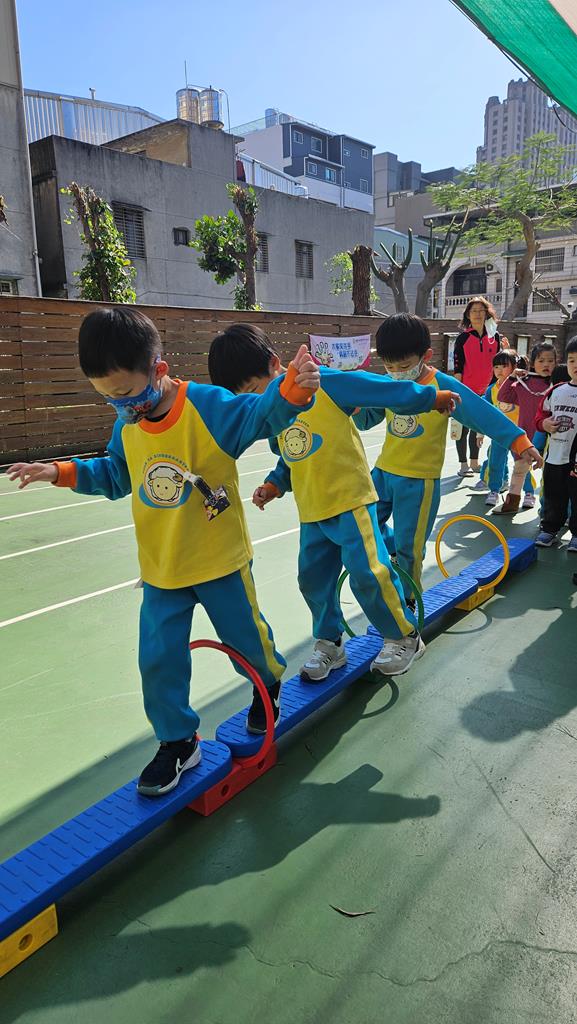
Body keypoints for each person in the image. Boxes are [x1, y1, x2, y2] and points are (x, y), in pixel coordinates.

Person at [8, 308, 320, 796]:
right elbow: (116, 475)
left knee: (246, 640)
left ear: (158, 369)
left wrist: (293, 391)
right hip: (161, 568)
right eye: (108, 397)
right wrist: (60, 472)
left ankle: (267, 686)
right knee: (158, 660)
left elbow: (260, 415)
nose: (121, 405)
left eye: (126, 392)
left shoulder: (207, 407)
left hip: (218, 560)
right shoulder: (128, 423)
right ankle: (177, 741)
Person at [208, 323, 460, 680]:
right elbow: (292, 454)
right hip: (313, 511)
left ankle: (403, 636)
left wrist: (430, 398)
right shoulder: (272, 414)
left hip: (351, 500)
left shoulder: (324, 382)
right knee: (311, 580)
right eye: (246, 398)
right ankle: (330, 643)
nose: (256, 402)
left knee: (367, 573)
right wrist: (275, 484)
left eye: (254, 390)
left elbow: (380, 388)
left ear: (275, 364)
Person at [351, 315, 540, 600]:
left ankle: (409, 601)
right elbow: (367, 419)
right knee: (364, 525)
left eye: (403, 366)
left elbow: (482, 413)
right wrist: (353, 407)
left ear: (425, 356)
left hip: (418, 483)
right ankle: (393, 550)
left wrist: (519, 441)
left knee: (410, 549)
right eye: (389, 367)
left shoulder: (442, 386)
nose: (396, 373)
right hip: (383, 473)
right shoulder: (390, 384)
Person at [494, 341, 557, 515]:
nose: (546, 364)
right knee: (519, 470)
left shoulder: (559, 384)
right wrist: (512, 377)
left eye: (550, 361)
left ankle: (552, 511)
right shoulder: (524, 383)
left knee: (552, 475)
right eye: (541, 360)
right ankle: (512, 503)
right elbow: (503, 396)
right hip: (526, 437)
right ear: (533, 363)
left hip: (553, 438)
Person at [475, 350, 538, 509]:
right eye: (496, 367)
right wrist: (480, 433)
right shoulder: (491, 390)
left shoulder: (522, 386)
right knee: (495, 463)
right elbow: (484, 411)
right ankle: (494, 491)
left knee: (523, 464)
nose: (499, 370)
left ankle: (529, 493)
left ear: (514, 367)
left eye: (504, 366)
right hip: (499, 435)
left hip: (518, 435)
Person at [452, 296, 503, 477]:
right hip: (466, 390)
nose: (478, 314)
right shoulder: (463, 338)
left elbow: (498, 364)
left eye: (481, 310)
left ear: (487, 314)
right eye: (474, 311)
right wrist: (457, 389)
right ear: (468, 315)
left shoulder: (495, 337)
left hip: (486, 391)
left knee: (478, 428)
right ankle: (463, 465)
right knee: (463, 428)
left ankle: (474, 462)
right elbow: (457, 365)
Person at [534, 340, 577, 549]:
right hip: (555, 457)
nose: (575, 365)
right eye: (572, 360)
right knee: (553, 496)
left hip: (575, 460)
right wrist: (544, 424)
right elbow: (540, 417)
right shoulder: (556, 391)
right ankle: (550, 529)